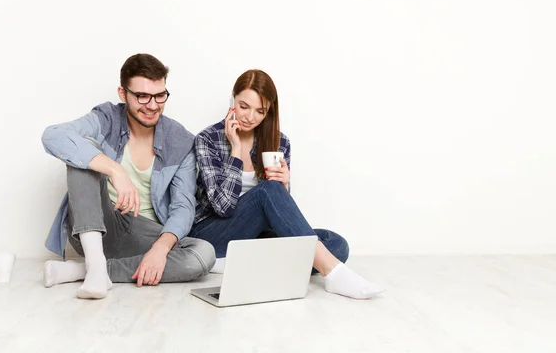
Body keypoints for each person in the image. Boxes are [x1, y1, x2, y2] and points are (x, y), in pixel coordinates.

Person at [189, 69, 384, 300]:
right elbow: (223, 207)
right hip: (213, 234)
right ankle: (333, 274)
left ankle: (240, 263)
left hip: (256, 235)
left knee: (336, 244)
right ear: (232, 100)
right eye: (244, 106)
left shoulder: (280, 141)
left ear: (269, 111)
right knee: (268, 194)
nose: (250, 117)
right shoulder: (208, 139)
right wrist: (236, 153)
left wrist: (284, 184)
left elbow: (279, 210)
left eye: (260, 111)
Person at [41, 53, 215, 299]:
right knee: (82, 156)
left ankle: (89, 270)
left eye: (159, 95)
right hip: (98, 223)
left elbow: (183, 207)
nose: (152, 105)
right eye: (142, 96)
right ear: (123, 94)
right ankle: (94, 260)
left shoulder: (181, 141)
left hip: (143, 233)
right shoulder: (106, 118)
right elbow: (54, 135)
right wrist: (114, 169)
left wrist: (160, 249)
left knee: (202, 253)